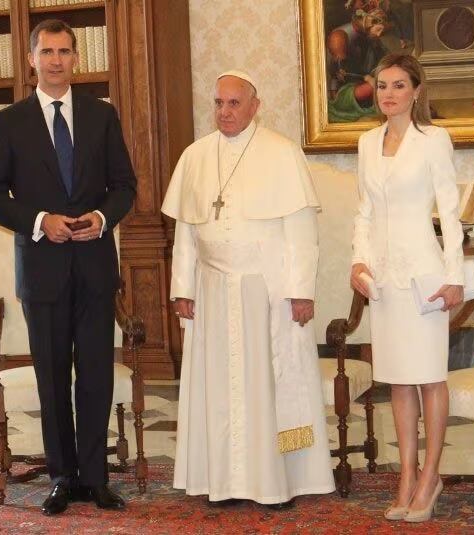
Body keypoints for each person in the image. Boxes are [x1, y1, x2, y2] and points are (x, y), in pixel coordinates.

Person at [0, 19, 136, 516]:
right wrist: (42, 220)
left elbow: (125, 186)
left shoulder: (101, 116)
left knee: (94, 376)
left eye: (65, 51)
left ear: (76, 59)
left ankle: (96, 479)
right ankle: (62, 478)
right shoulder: (9, 122)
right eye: (47, 51)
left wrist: (102, 216)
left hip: (93, 267)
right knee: (52, 378)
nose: (56, 60)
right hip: (42, 271)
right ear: (31, 60)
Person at [162, 70, 335, 508]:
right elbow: (186, 230)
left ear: (255, 106)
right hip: (212, 289)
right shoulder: (195, 156)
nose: (225, 111)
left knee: (270, 387)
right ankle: (222, 481)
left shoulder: (281, 153)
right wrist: (182, 287)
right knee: (218, 391)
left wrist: (301, 291)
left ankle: (277, 483)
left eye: (234, 103)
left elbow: (301, 233)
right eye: (219, 103)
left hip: (267, 293)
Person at [350, 53, 464, 523]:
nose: (388, 95)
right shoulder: (365, 143)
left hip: (425, 277)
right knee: (398, 379)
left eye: (399, 86)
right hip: (384, 281)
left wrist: (455, 276)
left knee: (430, 376)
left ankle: (431, 474)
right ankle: (406, 475)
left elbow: (451, 212)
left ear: (416, 91)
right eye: (381, 86)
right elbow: (363, 211)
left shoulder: (434, 140)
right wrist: (358, 259)